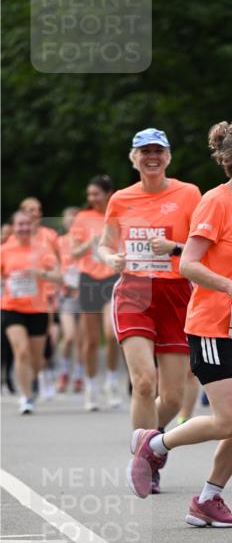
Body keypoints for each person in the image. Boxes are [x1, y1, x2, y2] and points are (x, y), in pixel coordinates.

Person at [127, 118, 232, 526]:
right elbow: (189, 264)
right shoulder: (216, 202)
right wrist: (230, 287)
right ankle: (157, 443)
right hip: (212, 326)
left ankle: (207, 499)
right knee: (228, 420)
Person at [98, 129, 201, 492]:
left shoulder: (189, 194)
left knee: (172, 397)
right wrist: (110, 257)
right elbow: (104, 245)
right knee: (144, 382)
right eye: (144, 152)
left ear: (169, 156)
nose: (151, 157)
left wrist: (173, 246)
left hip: (175, 294)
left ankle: (151, 441)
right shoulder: (121, 199)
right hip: (134, 292)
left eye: (158, 150)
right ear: (134, 158)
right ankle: (144, 464)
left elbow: (205, 245)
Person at [1, 210, 62, 413]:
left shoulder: (43, 249)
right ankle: (26, 397)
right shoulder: (5, 250)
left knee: (36, 359)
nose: (24, 228)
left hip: (38, 309)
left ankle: (32, 379)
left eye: (27, 224)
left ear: (33, 226)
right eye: (20, 224)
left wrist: (41, 273)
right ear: (13, 226)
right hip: (12, 308)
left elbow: (57, 276)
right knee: (22, 351)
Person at [69, 176, 122, 410]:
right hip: (88, 278)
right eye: (89, 194)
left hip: (112, 278)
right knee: (90, 340)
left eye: (96, 194)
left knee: (111, 335)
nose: (91, 198)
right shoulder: (82, 218)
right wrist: (91, 241)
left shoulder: (119, 214)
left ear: (109, 193)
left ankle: (111, 381)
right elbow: (73, 253)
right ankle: (90, 387)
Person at [55, 205, 83, 394]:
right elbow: (55, 267)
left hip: (87, 294)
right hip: (67, 294)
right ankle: (64, 371)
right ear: (64, 222)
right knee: (69, 337)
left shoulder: (87, 242)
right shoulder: (59, 242)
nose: (72, 223)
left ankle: (79, 376)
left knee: (82, 340)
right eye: (69, 219)